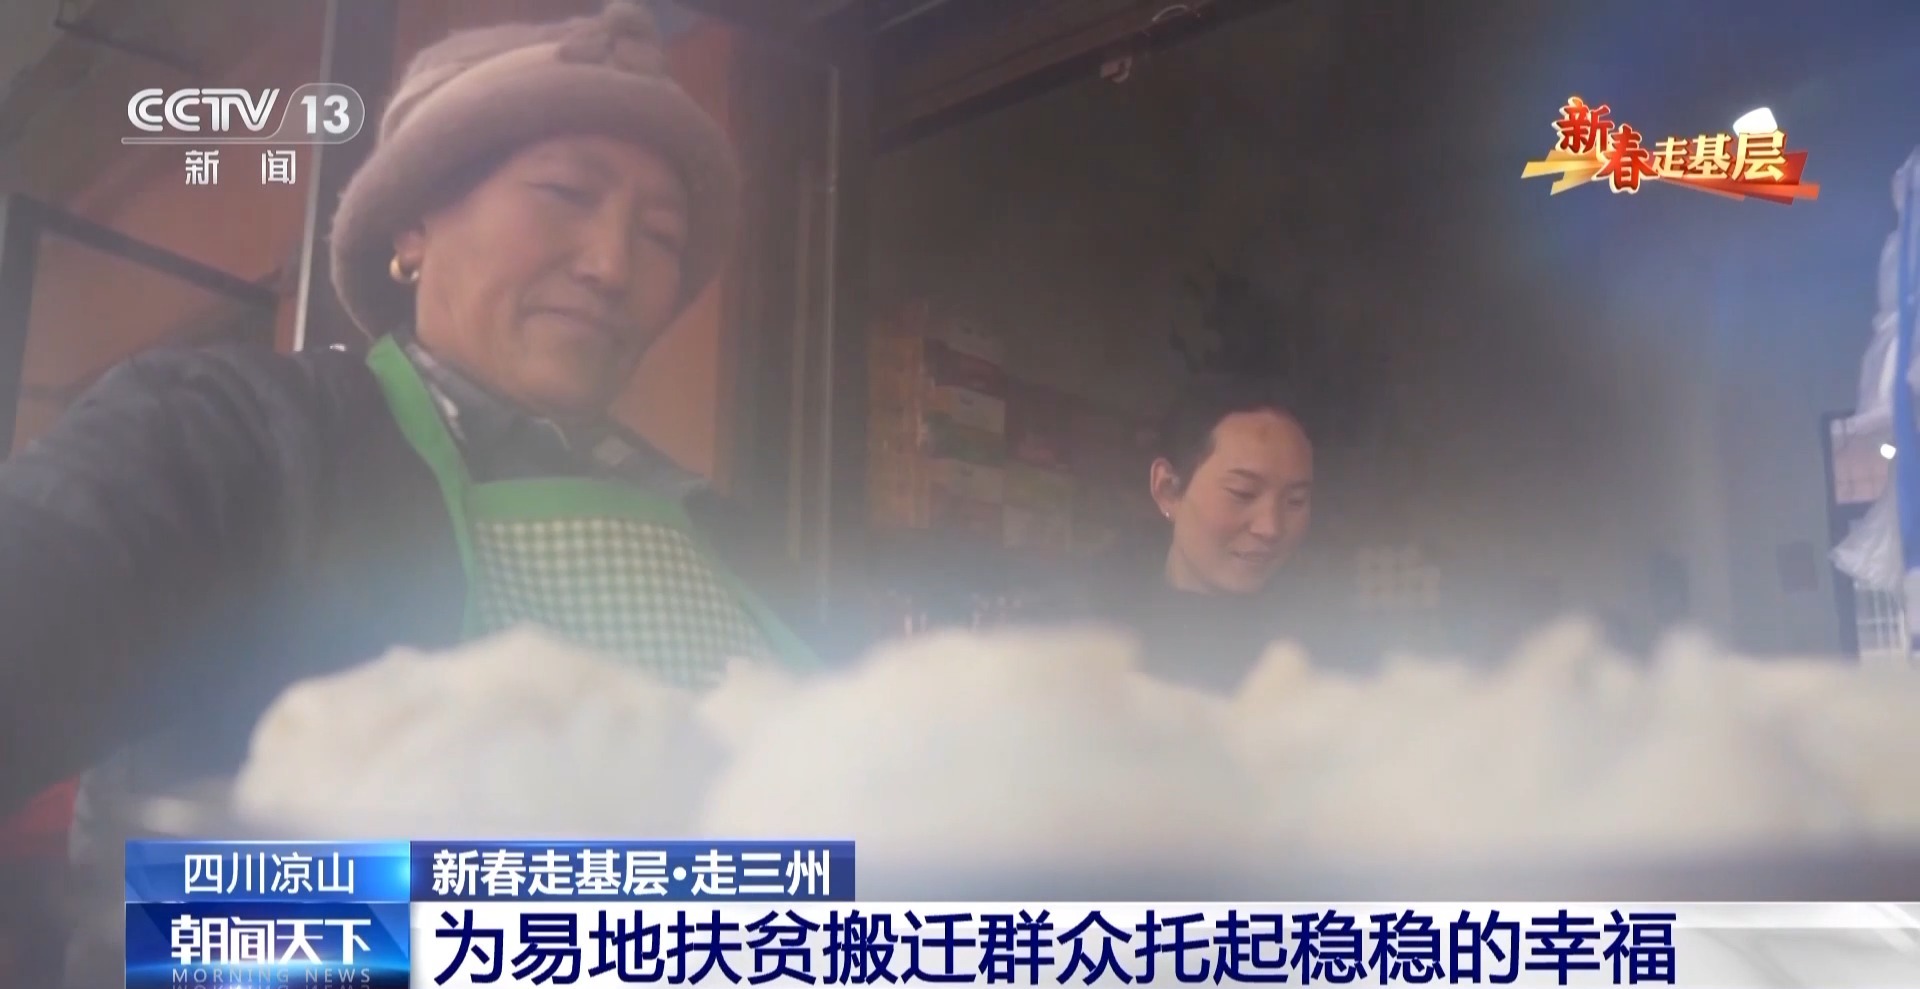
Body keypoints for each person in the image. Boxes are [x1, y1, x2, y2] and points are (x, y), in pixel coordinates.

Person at [0, 2, 818, 981]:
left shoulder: (731, 538)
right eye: (564, 192)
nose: (612, 265)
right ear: (413, 227)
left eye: (661, 235)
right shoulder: (235, 438)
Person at [1088, 376, 1339, 690]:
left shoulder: (1326, 654)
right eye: (1243, 493)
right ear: (1168, 489)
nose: (1271, 528)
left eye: (1296, 501)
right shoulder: (1082, 634)